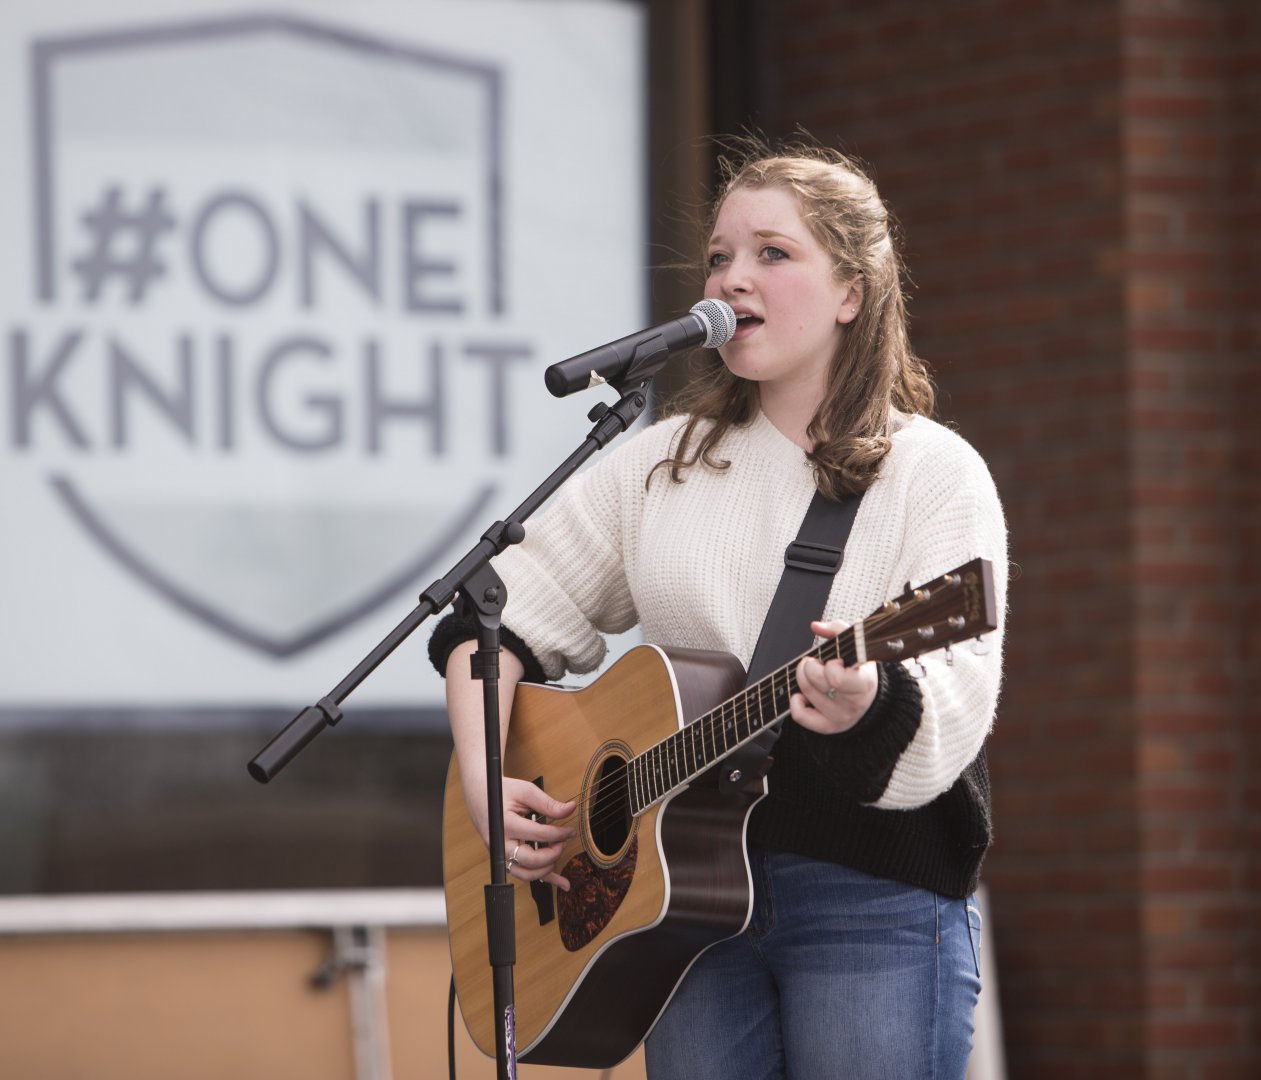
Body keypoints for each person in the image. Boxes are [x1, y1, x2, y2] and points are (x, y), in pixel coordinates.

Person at [430, 140, 1007, 1079]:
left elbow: (955, 693)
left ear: (852, 293)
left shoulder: (932, 472)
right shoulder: (661, 459)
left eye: (773, 254)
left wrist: (872, 704)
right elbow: (495, 620)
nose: (734, 277)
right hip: (675, 910)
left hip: (869, 898)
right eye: (719, 257)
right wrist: (486, 780)